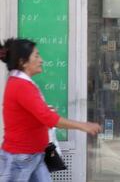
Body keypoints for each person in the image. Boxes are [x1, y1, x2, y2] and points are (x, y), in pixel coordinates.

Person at [0, 38, 102, 182]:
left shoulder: (21, 83)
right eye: (36, 56)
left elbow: (34, 114)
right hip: (20, 158)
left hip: (34, 154)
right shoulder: (21, 85)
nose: (41, 60)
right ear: (23, 62)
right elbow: (48, 118)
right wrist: (84, 126)